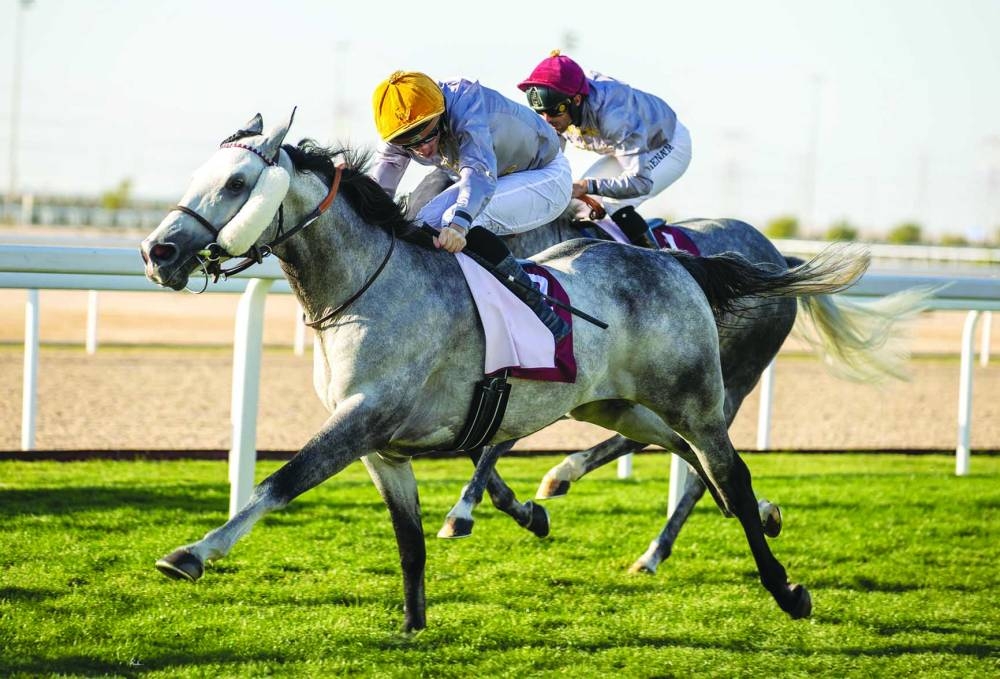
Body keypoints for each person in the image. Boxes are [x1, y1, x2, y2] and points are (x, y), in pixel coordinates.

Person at [370, 70, 573, 342]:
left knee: (457, 219)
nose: (423, 150)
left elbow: (478, 173)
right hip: (501, 176)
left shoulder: (466, 104)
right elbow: (380, 185)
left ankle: (542, 312)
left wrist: (458, 226)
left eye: (428, 137)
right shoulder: (402, 129)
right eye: (409, 144)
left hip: (547, 175)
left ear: (441, 115)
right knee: (421, 223)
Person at [517, 50, 692, 249]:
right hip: (627, 149)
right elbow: (547, 164)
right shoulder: (560, 106)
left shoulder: (614, 117)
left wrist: (587, 186)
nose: (548, 120)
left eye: (555, 111)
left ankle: (661, 268)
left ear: (576, 100)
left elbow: (640, 182)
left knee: (615, 202)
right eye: (541, 112)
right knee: (576, 206)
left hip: (667, 144)